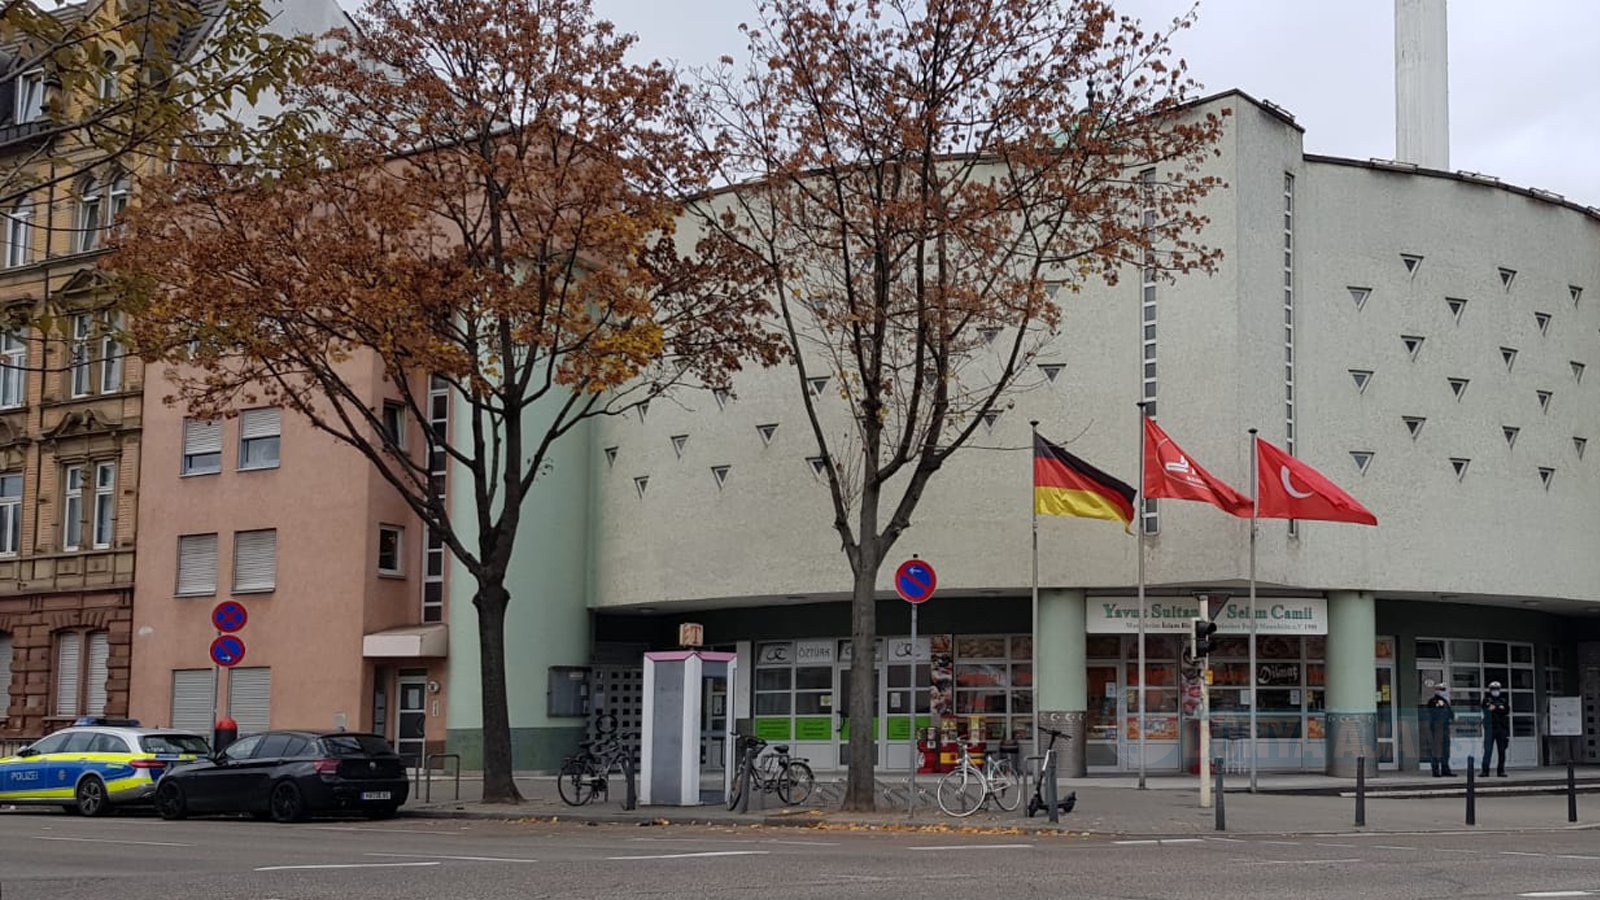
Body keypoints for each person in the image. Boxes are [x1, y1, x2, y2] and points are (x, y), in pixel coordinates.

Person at [1480, 681, 1511, 777]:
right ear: (1490, 690)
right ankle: (1485, 771)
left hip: (1501, 728)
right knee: (1488, 750)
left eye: (1497, 689)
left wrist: (1496, 707)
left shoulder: (1503, 700)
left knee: (1502, 751)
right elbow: (1487, 707)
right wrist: (1499, 708)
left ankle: (1501, 771)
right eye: (1493, 689)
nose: (1495, 691)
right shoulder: (1486, 700)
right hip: (1490, 728)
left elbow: (1506, 710)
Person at [1424, 683, 1456, 777]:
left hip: (1445, 727)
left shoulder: (1446, 702)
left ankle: (1445, 769)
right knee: (1436, 749)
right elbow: (1432, 713)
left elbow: (1451, 714)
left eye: (1444, 689)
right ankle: (1435, 769)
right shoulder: (1432, 701)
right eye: (1441, 689)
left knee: (1446, 750)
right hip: (1436, 728)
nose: (1443, 691)